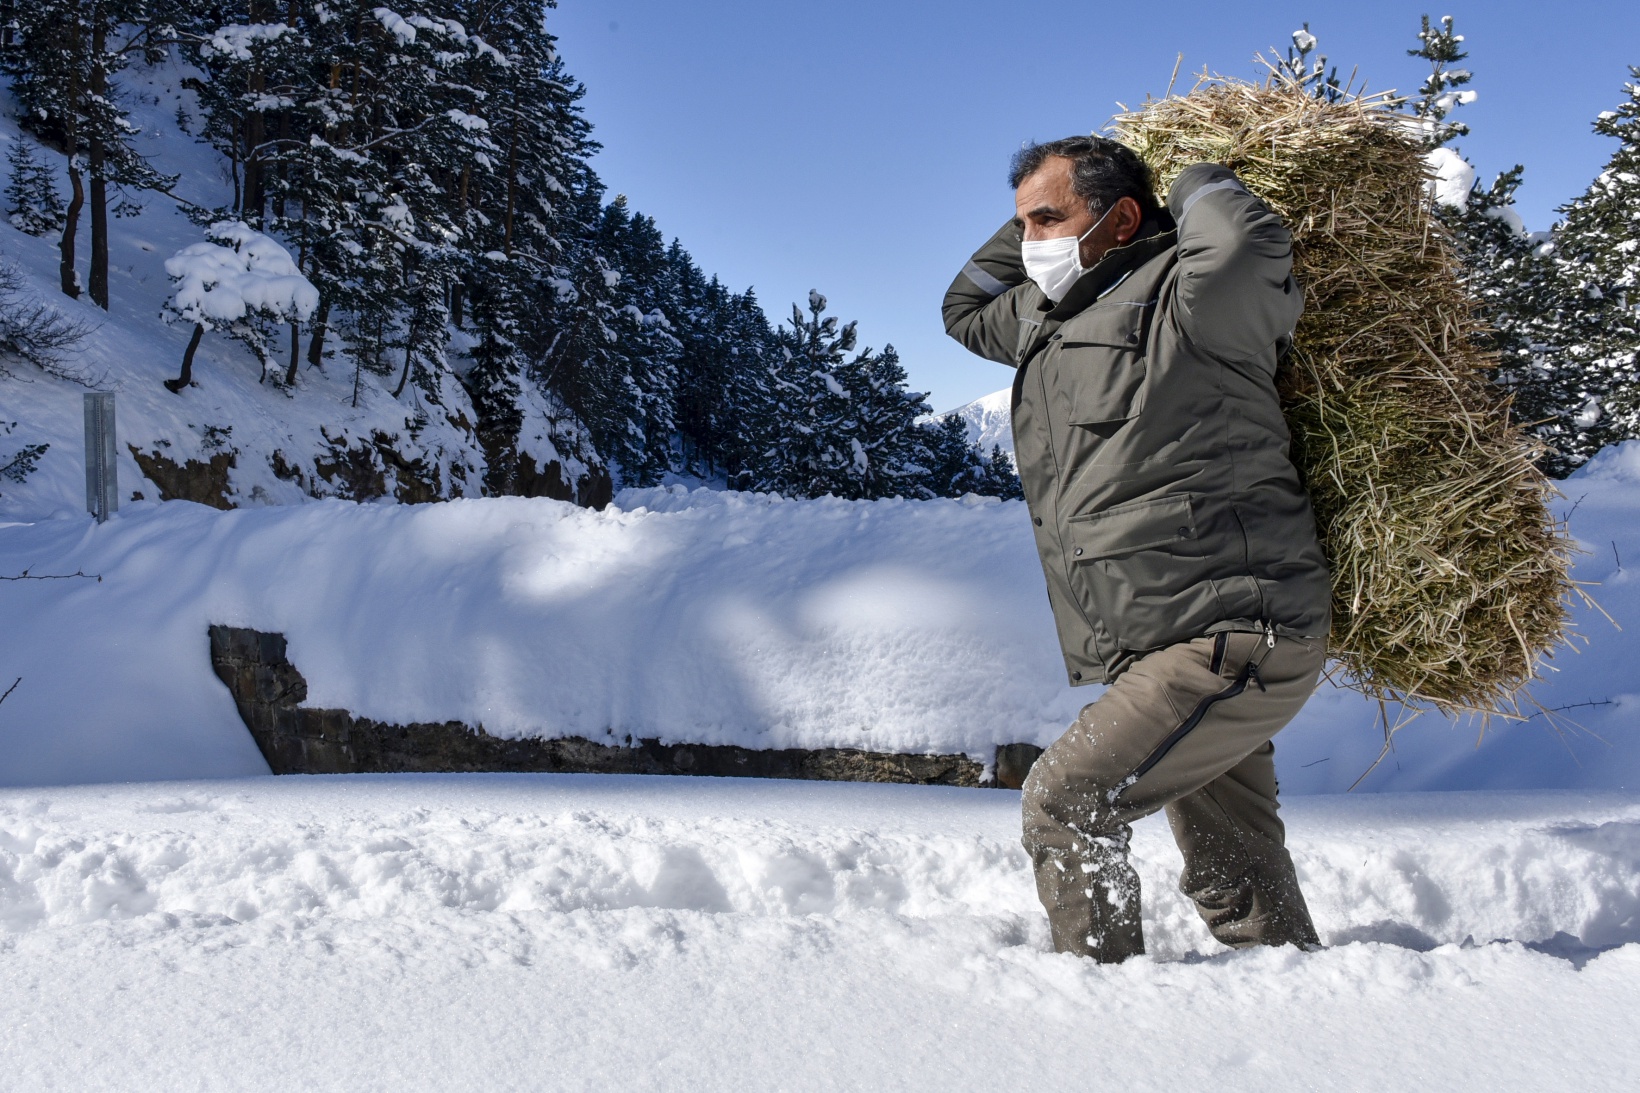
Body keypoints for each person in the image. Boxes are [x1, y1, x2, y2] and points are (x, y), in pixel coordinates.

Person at [942, 136, 1332, 962]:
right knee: (1237, 864)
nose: (1028, 242)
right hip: (1162, 650)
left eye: (1048, 219)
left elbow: (1240, 240)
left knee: (1065, 798)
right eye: (1021, 224)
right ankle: (1294, 1003)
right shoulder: (1046, 315)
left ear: (1121, 217)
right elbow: (964, 309)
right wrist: (1037, 215)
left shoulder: (1189, 299)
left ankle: (1103, 1015)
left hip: (1233, 636)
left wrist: (1181, 159)